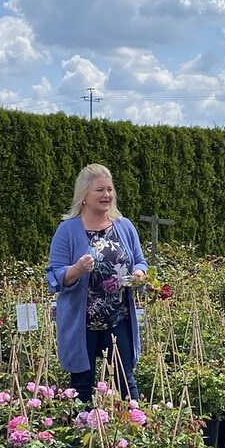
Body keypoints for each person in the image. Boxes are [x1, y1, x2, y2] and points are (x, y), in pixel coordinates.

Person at [46, 164, 148, 401]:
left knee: (126, 381)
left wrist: (140, 274)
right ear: (84, 195)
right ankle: (80, 432)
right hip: (82, 324)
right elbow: (54, 276)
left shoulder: (124, 226)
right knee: (81, 386)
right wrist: (77, 269)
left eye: (110, 190)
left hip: (118, 318)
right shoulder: (67, 230)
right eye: (100, 190)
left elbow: (140, 261)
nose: (107, 195)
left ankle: (134, 429)